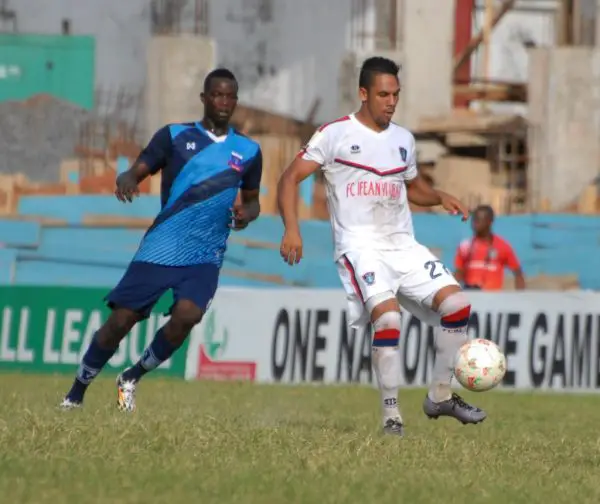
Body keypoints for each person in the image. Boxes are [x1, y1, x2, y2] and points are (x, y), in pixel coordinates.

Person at [276, 56, 485, 437]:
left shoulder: (403, 139)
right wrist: (292, 229)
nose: (391, 102)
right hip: (360, 247)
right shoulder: (334, 134)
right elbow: (289, 178)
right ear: (363, 93)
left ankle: (440, 396)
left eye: (396, 95)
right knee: (388, 319)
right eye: (384, 95)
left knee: (457, 305)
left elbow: (412, 187)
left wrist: (438, 196)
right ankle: (391, 415)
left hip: (403, 244)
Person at [60, 68, 263, 412]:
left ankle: (131, 377)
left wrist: (248, 213)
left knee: (188, 315)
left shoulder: (248, 150)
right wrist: (127, 178)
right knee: (121, 321)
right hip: (162, 246)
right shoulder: (174, 136)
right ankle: (76, 392)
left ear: (236, 101)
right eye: (217, 95)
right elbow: (137, 169)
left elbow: (253, 201)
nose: (223, 102)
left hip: (206, 253)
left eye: (230, 96)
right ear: (204, 98)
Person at [454, 205, 525, 291]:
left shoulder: (502, 246)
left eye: (479, 220)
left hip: (493, 296)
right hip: (470, 294)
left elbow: (518, 273)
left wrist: (520, 296)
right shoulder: (465, 245)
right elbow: (459, 272)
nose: (475, 223)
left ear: (489, 222)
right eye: (474, 219)